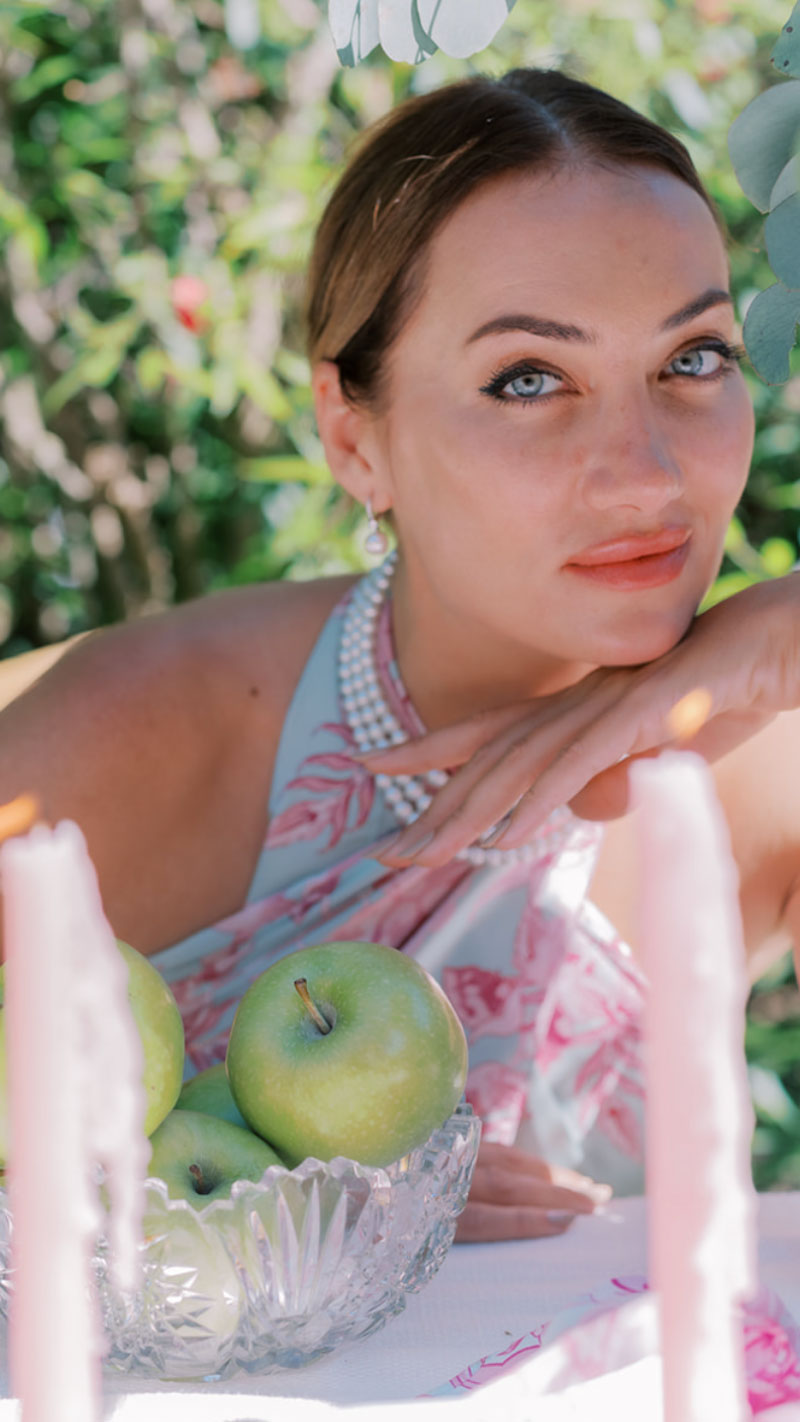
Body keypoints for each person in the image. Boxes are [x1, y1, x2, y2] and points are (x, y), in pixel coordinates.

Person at [0, 67, 799, 1243]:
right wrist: (222, 1206)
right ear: (352, 438)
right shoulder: (138, 738)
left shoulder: (755, 760)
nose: (644, 474)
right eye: (528, 381)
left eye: (691, 360)